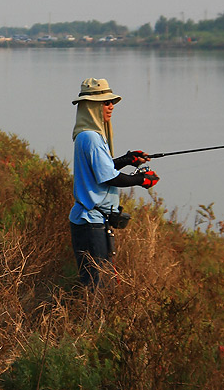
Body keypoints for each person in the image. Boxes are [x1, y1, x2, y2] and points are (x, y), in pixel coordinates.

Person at [68, 78, 159, 287]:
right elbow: (108, 177)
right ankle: (91, 319)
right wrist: (142, 179)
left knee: (99, 281)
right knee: (96, 284)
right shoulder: (90, 138)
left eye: (112, 103)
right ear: (92, 107)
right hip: (91, 221)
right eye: (106, 103)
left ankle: (93, 317)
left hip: (93, 220)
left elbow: (103, 169)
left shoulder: (90, 136)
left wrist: (127, 159)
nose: (111, 107)